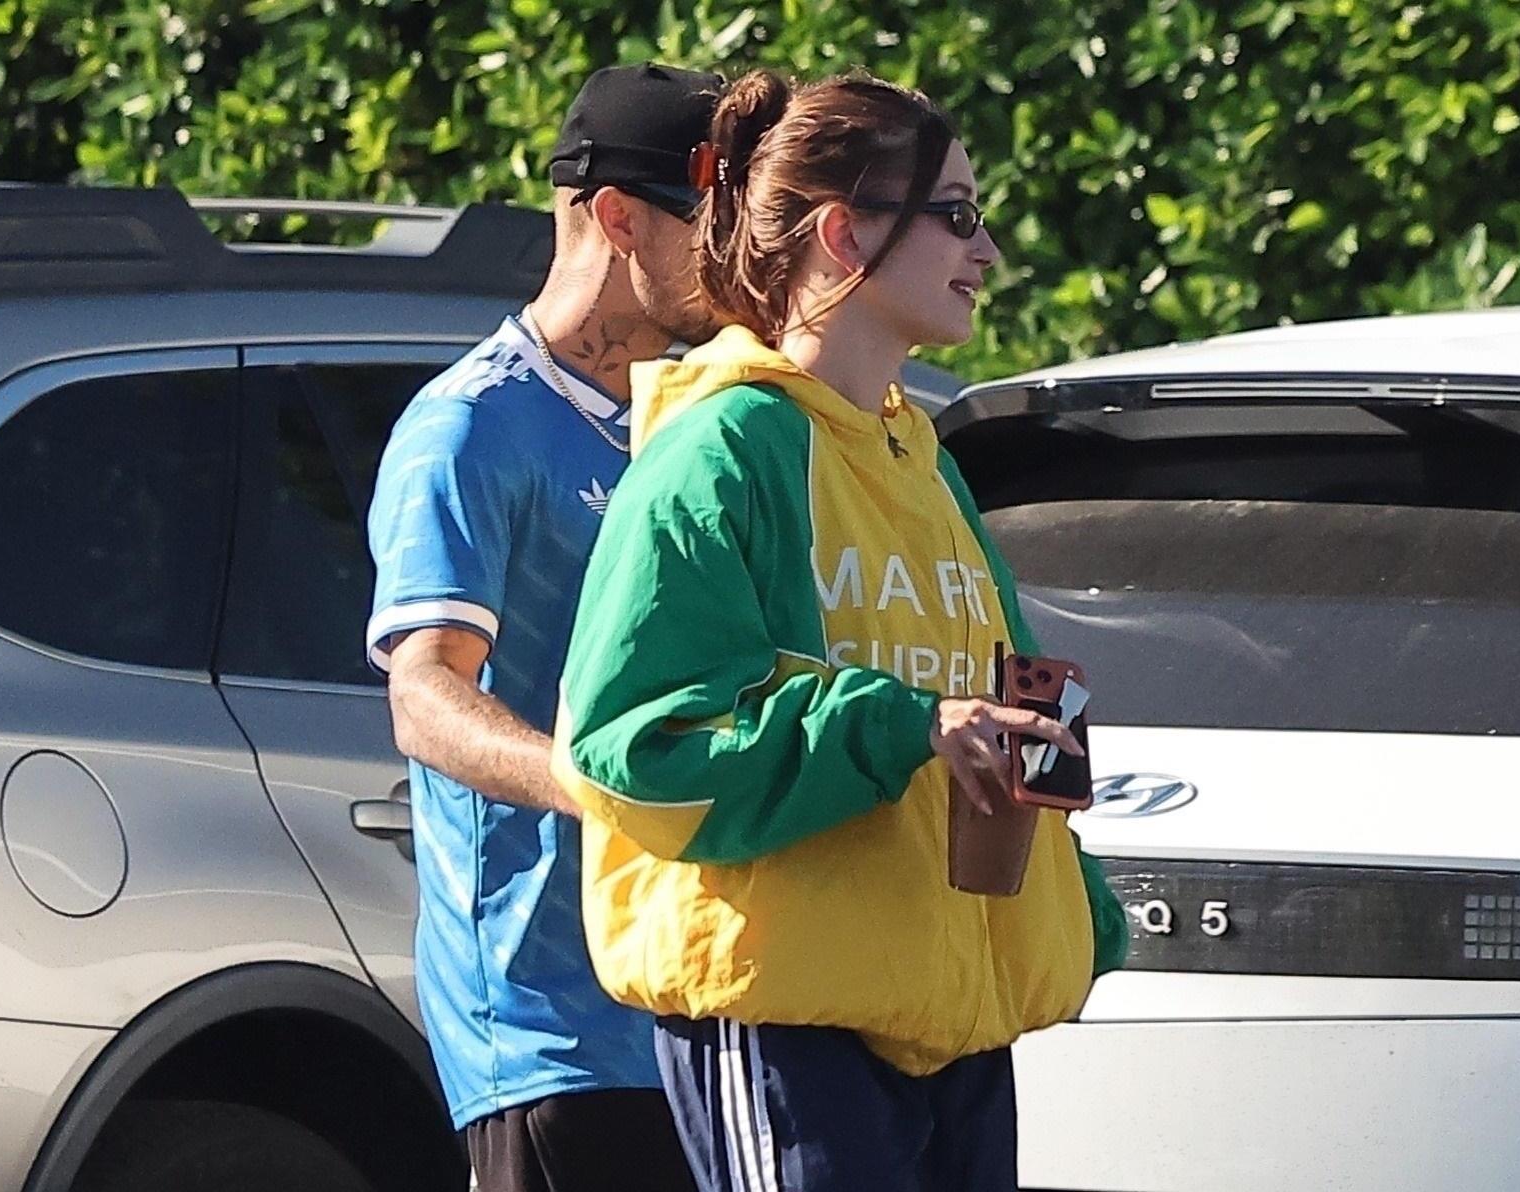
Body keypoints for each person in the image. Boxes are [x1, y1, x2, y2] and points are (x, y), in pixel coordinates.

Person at [551, 70, 1129, 1192]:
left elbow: (1002, 705)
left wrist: (1077, 908)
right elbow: (633, 750)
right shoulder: (721, 452)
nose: (987, 249)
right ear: (842, 233)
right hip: (789, 1021)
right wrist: (904, 725)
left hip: (954, 1030)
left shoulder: (926, 464)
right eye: (955, 214)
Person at [365, 63, 725, 1192]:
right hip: (550, 1034)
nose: (741, 258)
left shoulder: (699, 420)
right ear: (618, 217)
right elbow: (424, 696)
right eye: (714, 223)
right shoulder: (472, 425)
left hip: (700, 998)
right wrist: (599, 783)